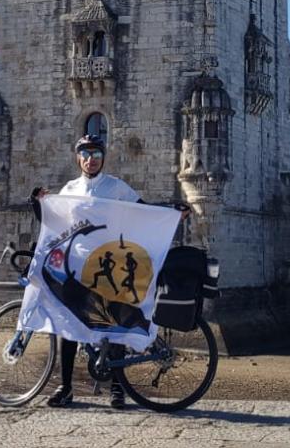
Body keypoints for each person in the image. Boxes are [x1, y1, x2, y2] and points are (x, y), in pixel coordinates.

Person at [30, 134, 189, 410]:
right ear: (78, 157)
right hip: (77, 267)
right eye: (86, 154)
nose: (91, 160)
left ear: (103, 158)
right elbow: (52, 222)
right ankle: (66, 388)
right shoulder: (69, 189)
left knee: (113, 327)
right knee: (70, 325)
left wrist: (172, 212)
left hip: (108, 265)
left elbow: (143, 212)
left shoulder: (116, 188)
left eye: (96, 155)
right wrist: (37, 202)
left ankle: (118, 389)